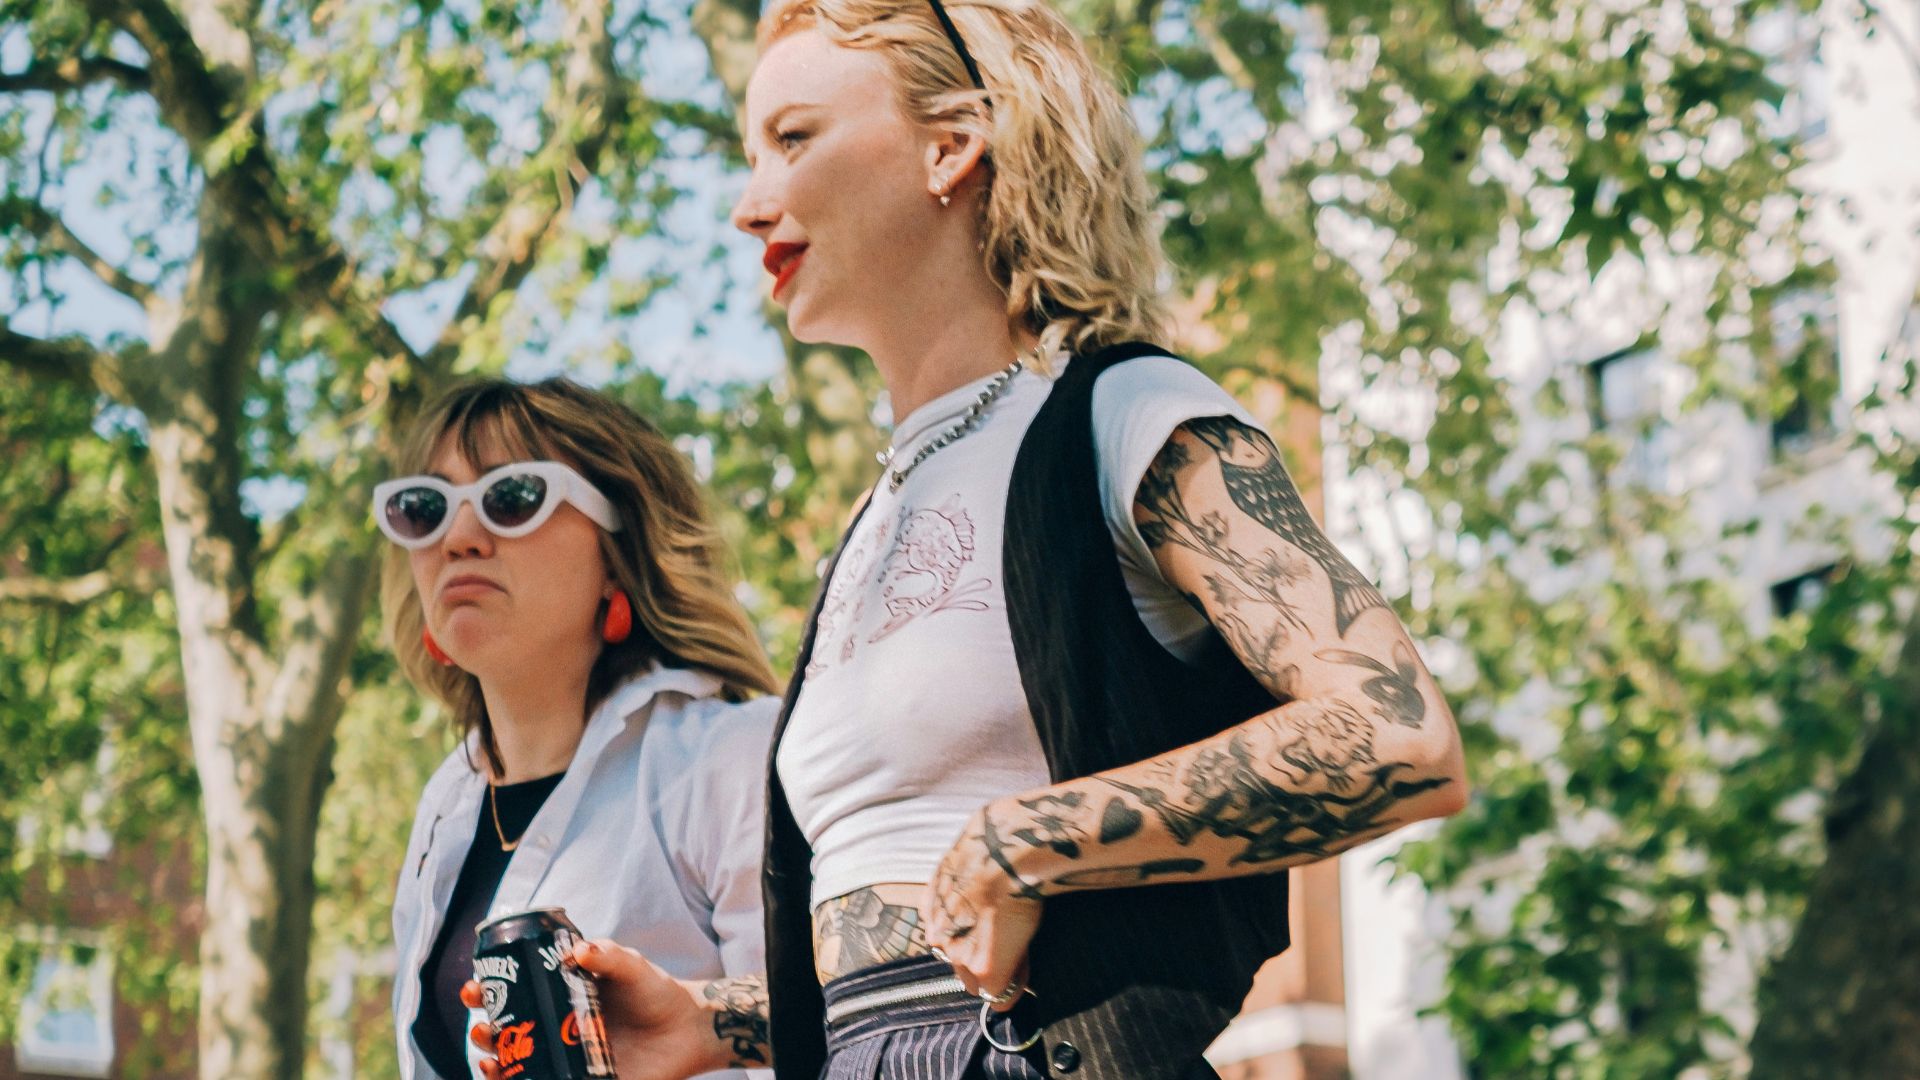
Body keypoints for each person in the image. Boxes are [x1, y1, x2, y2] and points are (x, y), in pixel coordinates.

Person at [470, 0, 1471, 1076]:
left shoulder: (1121, 416)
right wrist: (713, 1020)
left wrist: (1037, 837)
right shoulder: (871, 519)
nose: (750, 207)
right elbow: (905, 966)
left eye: (793, 141)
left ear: (952, 147)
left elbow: (1397, 735)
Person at [381, 377, 781, 1080]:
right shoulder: (445, 808)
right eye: (426, 508)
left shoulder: (731, 757)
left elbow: (861, 1028)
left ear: (615, 554)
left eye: (513, 498)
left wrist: (700, 1018)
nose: (461, 538)